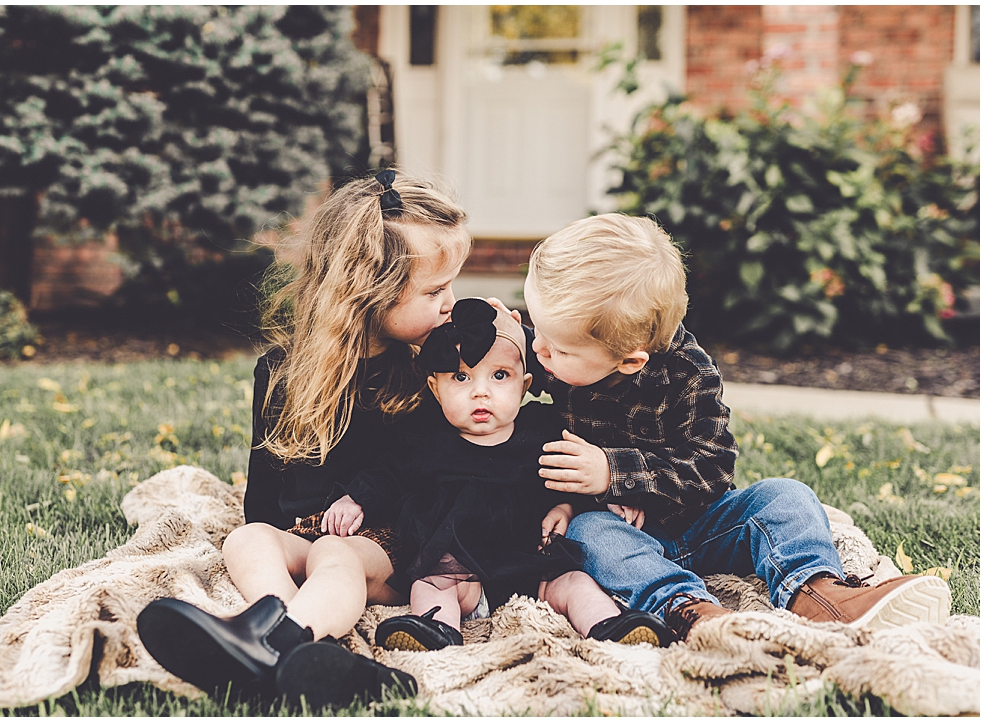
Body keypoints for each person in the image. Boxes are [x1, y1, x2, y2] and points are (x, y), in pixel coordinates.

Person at [520, 213, 952, 643]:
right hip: (621, 533)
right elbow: (497, 372)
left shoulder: (688, 374)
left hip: (701, 524)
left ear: (629, 360)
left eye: (555, 346)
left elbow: (712, 468)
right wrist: (491, 333)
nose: (538, 348)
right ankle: (692, 612)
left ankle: (820, 597)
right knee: (588, 535)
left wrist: (616, 473)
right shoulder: (559, 351)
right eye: (536, 328)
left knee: (786, 496)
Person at [136, 169, 471, 709]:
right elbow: (263, 486)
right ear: (368, 290)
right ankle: (289, 651)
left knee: (334, 553)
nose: (451, 302)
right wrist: (267, 532)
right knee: (246, 540)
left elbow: (431, 470)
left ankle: (278, 643)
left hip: (388, 547)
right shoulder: (282, 371)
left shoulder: (429, 374)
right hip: (305, 535)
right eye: (435, 290)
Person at [321, 298, 673, 651]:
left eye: (500, 376)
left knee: (576, 582)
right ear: (434, 388)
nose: (481, 391)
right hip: (458, 572)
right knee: (429, 584)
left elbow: (575, 475)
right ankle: (437, 631)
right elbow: (387, 474)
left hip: (533, 564)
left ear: (524, 385)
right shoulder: (424, 438)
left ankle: (607, 625)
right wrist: (356, 499)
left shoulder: (543, 430)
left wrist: (568, 507)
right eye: (461, 377)